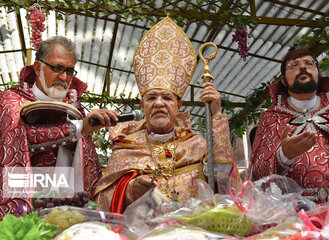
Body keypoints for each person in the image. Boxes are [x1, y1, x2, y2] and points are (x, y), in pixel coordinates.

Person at [94, 16, 235, 213]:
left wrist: (217, 115)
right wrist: (129, 190)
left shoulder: (198, 144)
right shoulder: (126, 147)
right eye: (151, 98)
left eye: (167, 98)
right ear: (143, 106)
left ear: (178, 106)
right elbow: (101, 199)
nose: (159, 103)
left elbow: (224, 180)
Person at [0, 36, 119, 218]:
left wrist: (77, 140)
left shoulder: (75, 107)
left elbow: (85, 159)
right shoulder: (10, 101)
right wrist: (78, 129)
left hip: (63, 205)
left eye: (70, 71)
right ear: (38, 67)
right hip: (23, 200)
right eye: (57, 68)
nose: (64, 77)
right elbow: (23, 138)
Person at [250, 48, 329, 203]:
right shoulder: (271, 118)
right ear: (283, 80)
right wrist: (283, 156)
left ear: (318, 74)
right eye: (294, 65)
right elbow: (257, 173)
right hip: (291, 214)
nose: (302, 67)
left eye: (309, 63)